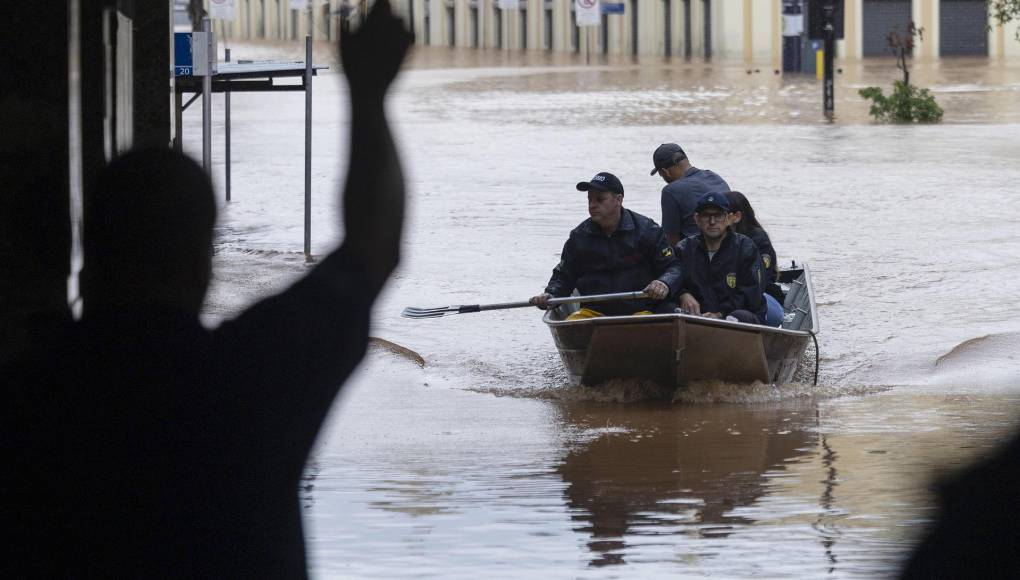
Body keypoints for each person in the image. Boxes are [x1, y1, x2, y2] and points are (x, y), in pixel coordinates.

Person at [2, 1, 412, 576]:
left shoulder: (27, 395)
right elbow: (374, 245)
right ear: (202, 265)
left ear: (87, 260)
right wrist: (370, 93)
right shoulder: (252, 375)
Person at [530, 171, 682, 319]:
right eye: (589, 200)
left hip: (642, 311)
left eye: (599, 199)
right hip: (594, 313)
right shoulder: (579, 236)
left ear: (619, 199)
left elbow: (673, 267)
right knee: (574, 323)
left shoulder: (648, 230)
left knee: (655, 317)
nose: (592, 205)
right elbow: (563, 276)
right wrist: (550, 295)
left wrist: (663, 282)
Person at [674, 193, 766, 325]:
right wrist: (683, 294)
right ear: (697, 219)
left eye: (718, 216)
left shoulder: (746, 248)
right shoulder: (683, 249)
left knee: (738, 316)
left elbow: (751, 294)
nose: (712, 222)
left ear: (728, 218)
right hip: (697, 317)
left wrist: (720, 314)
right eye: (706, 216)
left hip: (737, 317)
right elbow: (673, 280)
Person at [650, 142, 730, 246]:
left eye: (661, 175)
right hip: (728, 246)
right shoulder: (714, 176)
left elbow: (671, 239)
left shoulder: (670, 191)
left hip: (697, 252)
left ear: (665, 172)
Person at [724, 191, 784, 327]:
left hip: (764, 296)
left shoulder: (758, 239)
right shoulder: (715, 240)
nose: (714, 220)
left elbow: (761, 279)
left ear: (736, 216)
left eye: (721, 214)